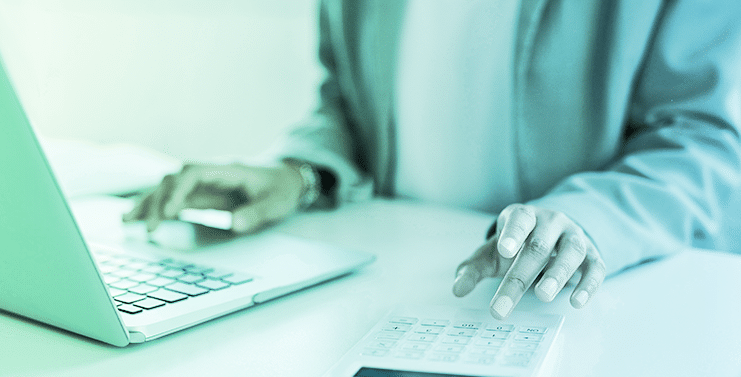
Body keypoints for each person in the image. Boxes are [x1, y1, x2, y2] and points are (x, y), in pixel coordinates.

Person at [124, 0, 741, 319]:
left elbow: (701, 137)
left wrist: (586, 220)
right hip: (392, 289)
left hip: (579, 303)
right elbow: (345, 97)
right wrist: (302, 173)